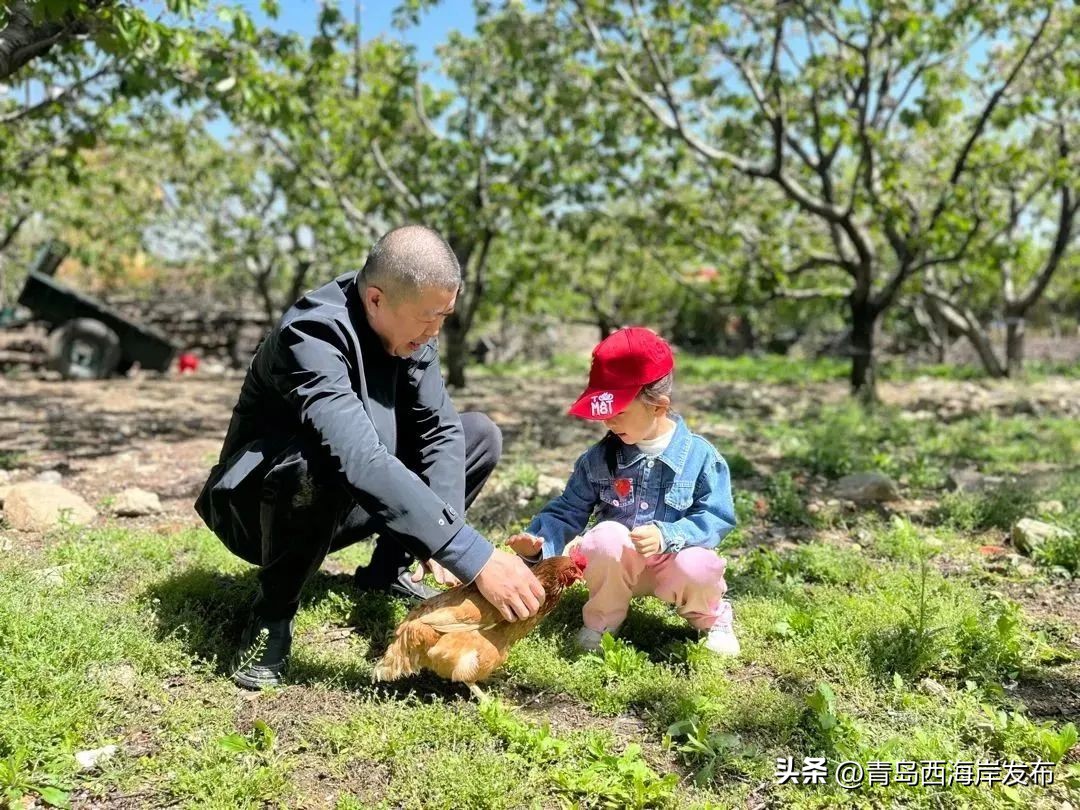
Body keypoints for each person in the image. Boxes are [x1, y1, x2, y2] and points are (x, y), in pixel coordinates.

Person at [195, 225, 545, 689]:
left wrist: (443, 534)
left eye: (444, 316)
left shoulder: (411, 325)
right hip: (265, 508)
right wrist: (473, 554)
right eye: (428, 317)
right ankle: (270, 617)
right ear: (376, 299)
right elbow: (356, 458)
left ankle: (386, 571)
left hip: (347, 497)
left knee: (476, 433)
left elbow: (438, 431)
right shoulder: (312, 334)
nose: (435, 331)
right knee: (320, 459)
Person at [507, 327, 740, 655]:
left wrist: (668, 535)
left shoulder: (700, 457)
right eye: (603, 412)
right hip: (617, 567)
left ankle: (710, 617)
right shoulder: (599, 459)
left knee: (698, 565)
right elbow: (569, 509)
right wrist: (538, 544)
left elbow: (716, 516)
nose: (608, 422)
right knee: (604, 538)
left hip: (672, 565)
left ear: (658, 407)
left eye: (618, 412)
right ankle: (602, 621)